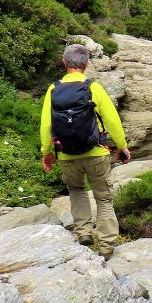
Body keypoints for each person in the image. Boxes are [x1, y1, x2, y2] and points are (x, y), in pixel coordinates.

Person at [40, 44, 130, 259]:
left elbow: (45, 125)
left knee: (77, 191)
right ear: (86, 64)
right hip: (96, 152)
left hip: (67, 155)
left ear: (65, 63)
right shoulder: (93, 88)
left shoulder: (53, 89)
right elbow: (112, 120)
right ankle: (107, 245)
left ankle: (84, 233)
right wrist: (122, 146)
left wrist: (47, 152)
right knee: (103, 198)